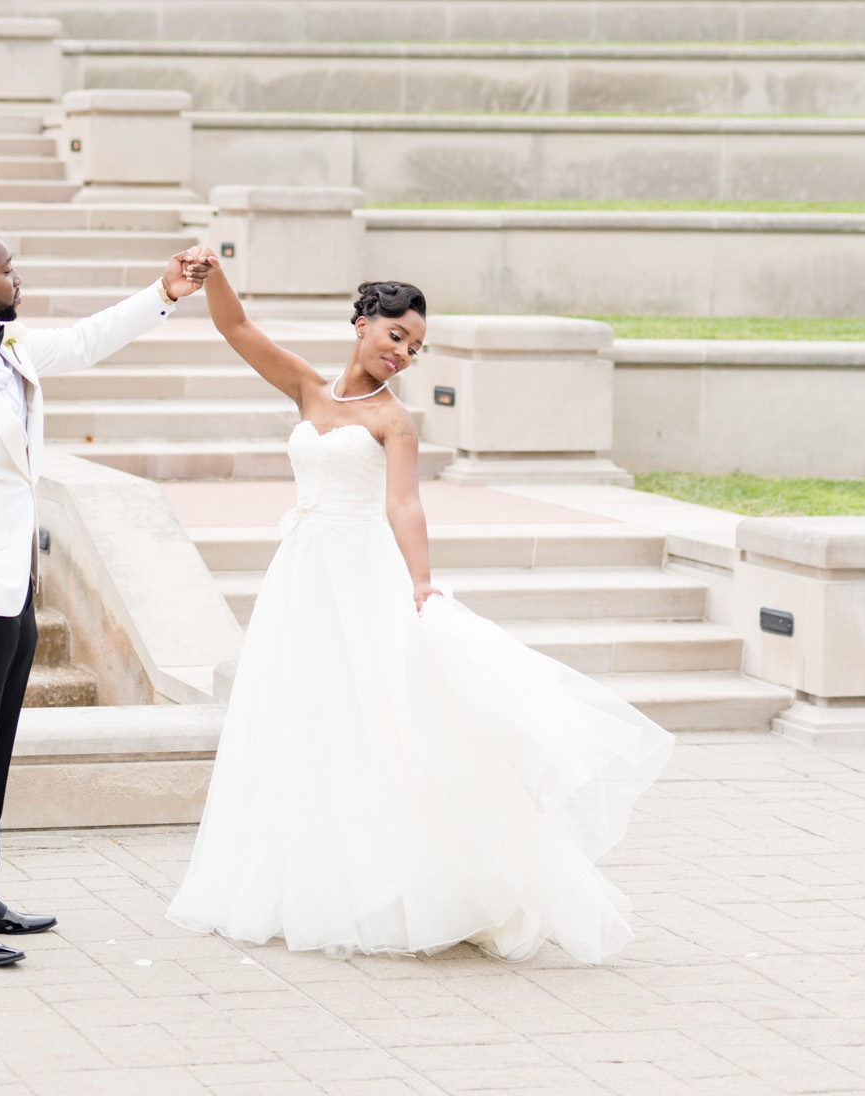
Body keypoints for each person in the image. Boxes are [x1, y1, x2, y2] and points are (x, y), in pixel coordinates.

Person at [168, 269, 674, 963]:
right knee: (303, 714)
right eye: (395, 335)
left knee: (375, 716)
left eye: (413, 347)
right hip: (301, 577)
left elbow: (403, 504)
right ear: (363, 326)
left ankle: (401, 881)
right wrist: (214, 274)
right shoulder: (307, 388)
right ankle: (306, 871)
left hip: (359, 572)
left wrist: (421, 582)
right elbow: (236, 329)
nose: (401, 353)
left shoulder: (391, 419)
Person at [0, 217, 211, 967]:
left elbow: (88, 340)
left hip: (11, 586)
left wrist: (166, 291)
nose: (14, 276)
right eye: (4, 268)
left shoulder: (11, 346)